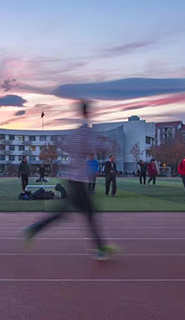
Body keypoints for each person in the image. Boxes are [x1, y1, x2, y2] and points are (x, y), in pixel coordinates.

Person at [24, 100, 118, 260]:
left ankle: (34, 229)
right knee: (88, 213)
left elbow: (65, 145)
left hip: (74, 178)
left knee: (66, 212)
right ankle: (100, 248)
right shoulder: (85, 132)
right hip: (79, 180)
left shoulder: (78, 132)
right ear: (88, 112)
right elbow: (93, 148)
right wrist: (107, 144)